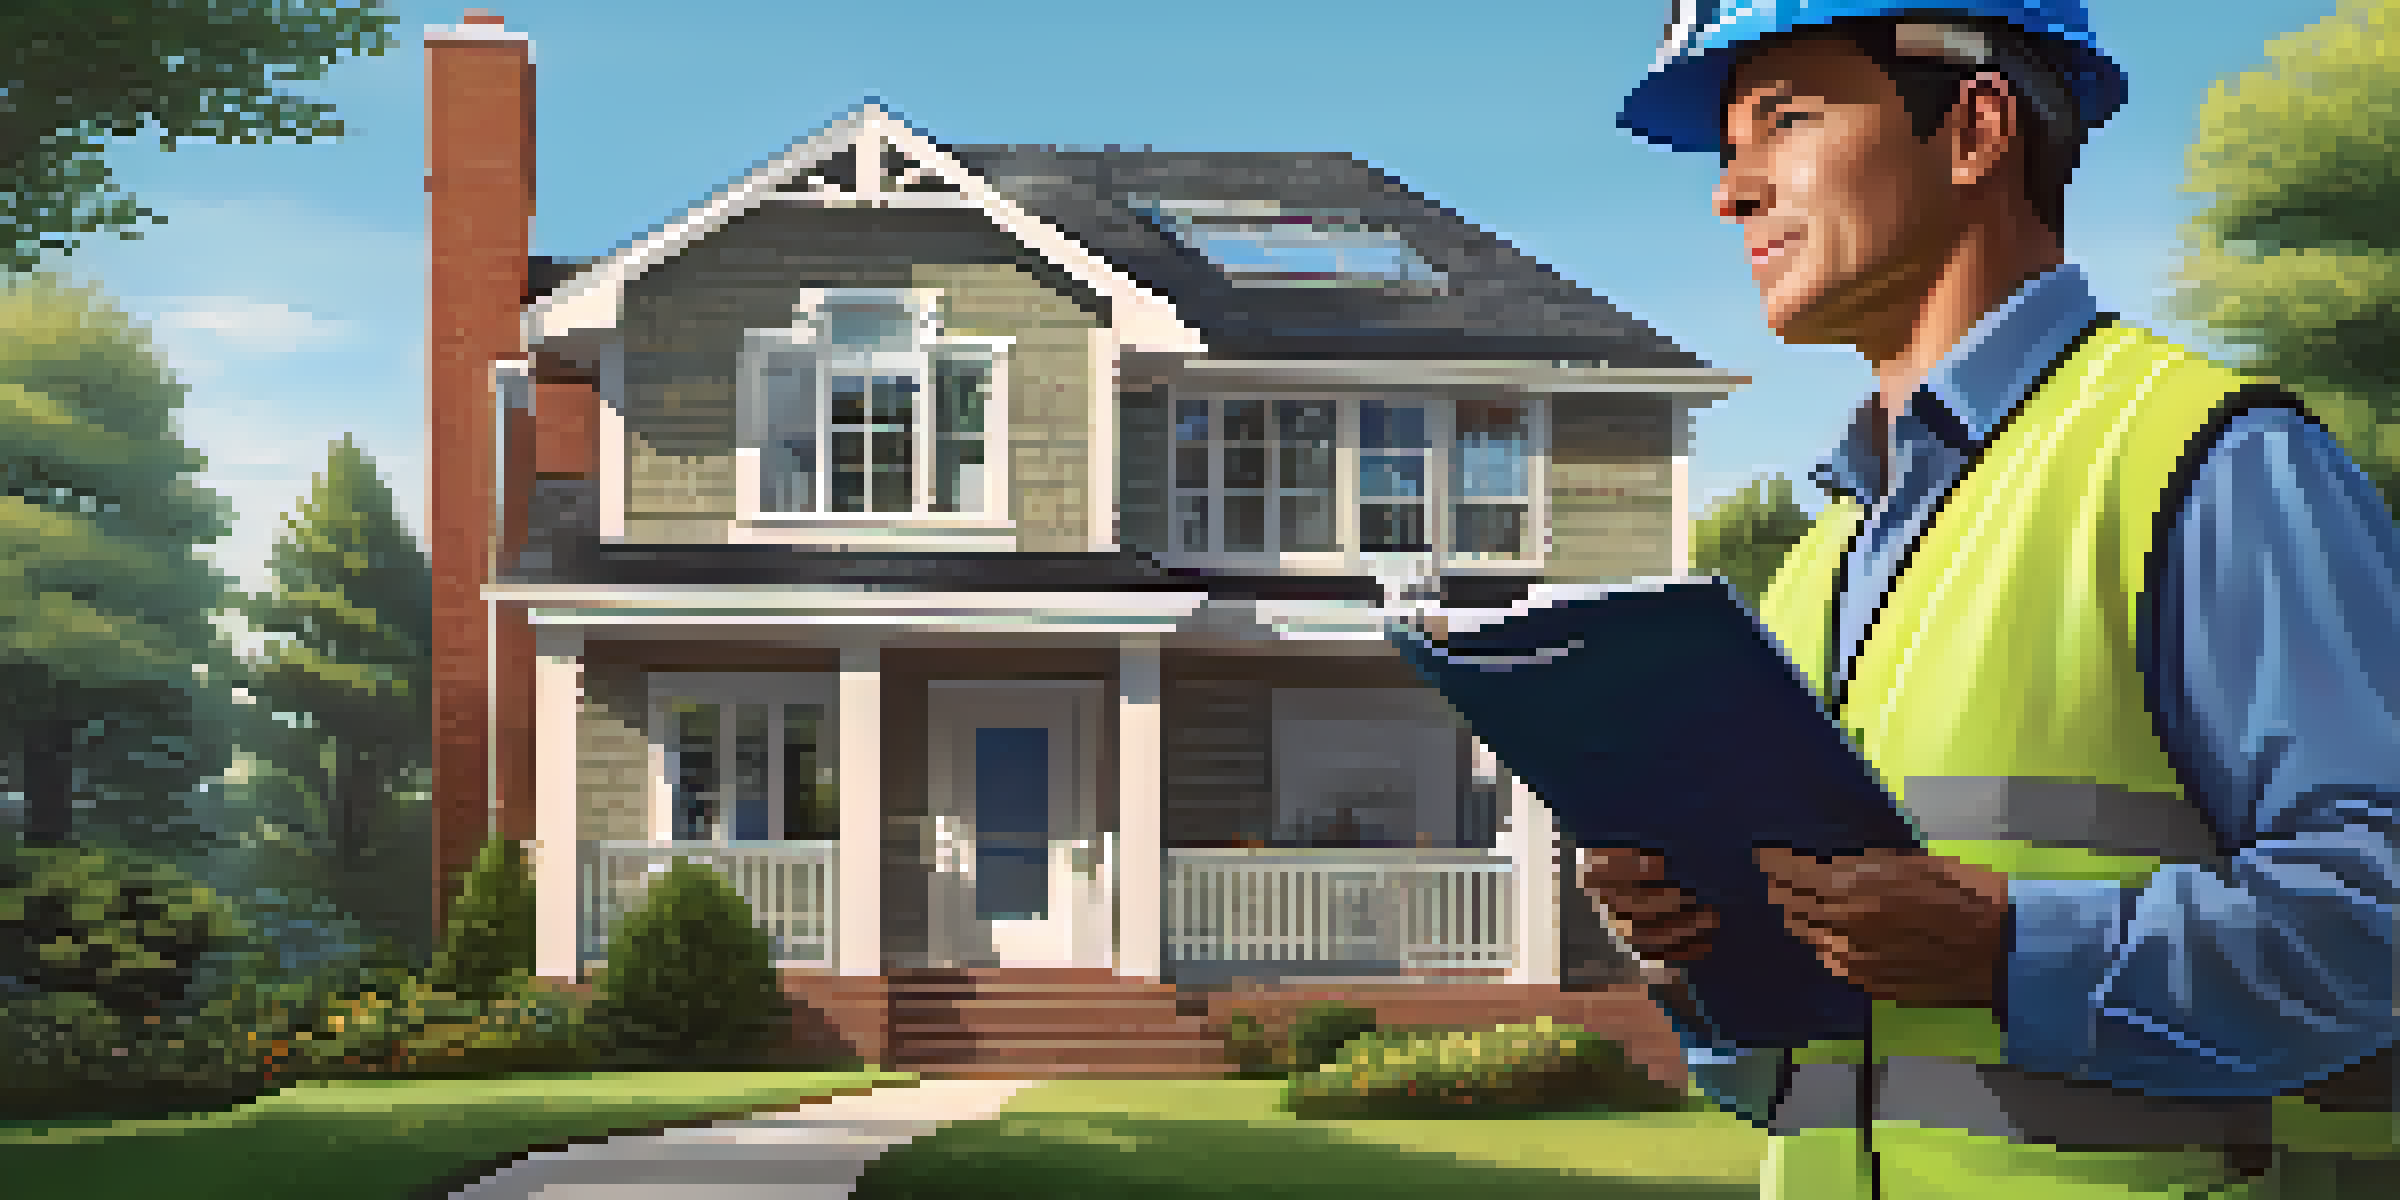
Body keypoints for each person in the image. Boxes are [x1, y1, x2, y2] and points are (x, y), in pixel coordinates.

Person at [1573, 3, 2400, 1197]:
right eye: (1726, 146)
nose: (1731, 193)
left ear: (1974, 128)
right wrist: (1700, 957)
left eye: (1787, 119)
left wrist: (2014, 952)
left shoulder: (2209, 462)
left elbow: (2377, 923)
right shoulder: (1819, 567)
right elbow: (1798, 1080)